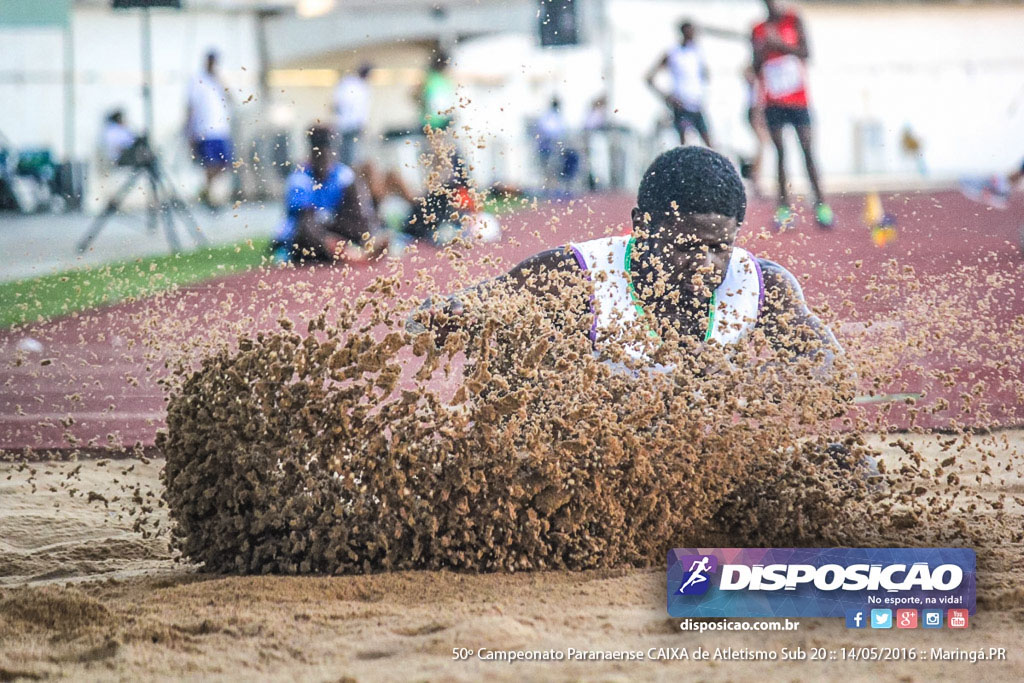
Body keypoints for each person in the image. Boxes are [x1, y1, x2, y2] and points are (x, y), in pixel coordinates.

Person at [410, 146, 841, 379]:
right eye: (685, 246)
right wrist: (455, 315)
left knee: (852, 468)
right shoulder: (571, 275)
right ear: (641, 227)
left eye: (717, 247)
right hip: (584, 470)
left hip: (690, 468)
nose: (703, 264)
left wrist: (744, 386)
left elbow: (831, 367)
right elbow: (440, 314)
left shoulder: (761, 285)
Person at [751, 0, 833, 229]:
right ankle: (784, 209)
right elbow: (755, 66)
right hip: (773, 100)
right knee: (781, 154)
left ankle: (821, 205)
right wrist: (763, 49)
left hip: (798, 100)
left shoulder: (794, 20)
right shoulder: (758, 28)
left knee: (807, 151)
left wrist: (780, 44)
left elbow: (806, 53)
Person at [272, 125, 380, 264]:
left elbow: (359, 214)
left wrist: (366, 230)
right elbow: (305, 222)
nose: (325, 157)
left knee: (358, 208)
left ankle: (363, 245)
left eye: (329, 151)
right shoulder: (300, 179)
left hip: (332, 227)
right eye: (320, 154)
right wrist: (331, 243)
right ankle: (348, 254)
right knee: (306, 232)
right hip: (301, 236)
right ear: (312, 153)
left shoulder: (343, 174)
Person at [645, 20, 714, 148]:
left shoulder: (698, 53)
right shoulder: (673, 53)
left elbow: (705, 76)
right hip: (681, 106)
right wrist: (666, 97)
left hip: (697, 104)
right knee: (684, 144)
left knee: (709, 144)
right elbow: (649, 78)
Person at [186, 50, 233, 208]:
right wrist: (190, 131)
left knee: (225, 164)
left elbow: (231, 98)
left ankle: (205, 191)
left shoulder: (219, 79)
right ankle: (209, 196)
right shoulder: (196, 79)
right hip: (204, 129)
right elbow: (190, 106)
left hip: (221, 129)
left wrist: (220, 80)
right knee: (210, 164)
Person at [333, 63, 373, 167]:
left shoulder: (362, 86)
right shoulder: (350, 84)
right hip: (348, 125)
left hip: (353, 125)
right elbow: (338, 104)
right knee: (347, 155)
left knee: (354, 155)